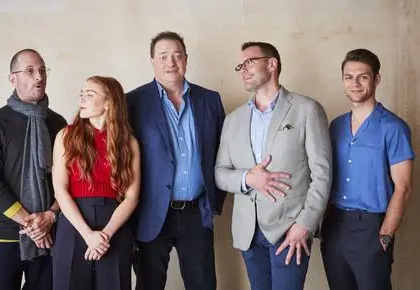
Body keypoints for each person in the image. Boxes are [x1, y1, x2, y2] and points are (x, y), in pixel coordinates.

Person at [214, 41, 332, 290]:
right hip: (248, 232)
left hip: (290, 229)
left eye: (249, 62)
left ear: (272, 64)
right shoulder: (233, 120)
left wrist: (305, 225)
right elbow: (220, 174)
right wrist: (248, 178)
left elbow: (322, 173)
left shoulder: (306, 110)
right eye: (240, 65)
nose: (243, 69)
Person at [126, 31, 226, 290]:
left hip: (196, 212)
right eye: (163, 57)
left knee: (203, 284)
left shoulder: (210, 100)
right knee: (149, 284)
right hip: (151, 213)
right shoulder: (133, 102)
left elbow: (223, 152)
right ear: (152, 61)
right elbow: (122, 158)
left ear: (186, 59)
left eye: (177, 56)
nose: (171, 62)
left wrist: (212, 203)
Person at [321, 48, 415, 290]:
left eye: (362, 76)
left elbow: (403, 188)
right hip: (334, 226)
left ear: (376, 79)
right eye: (349, 77)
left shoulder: (393, 128)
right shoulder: (336, 127)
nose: (355, 83)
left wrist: (385, 235)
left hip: (371, 228)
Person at [0, 49, 67, 290]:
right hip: (5, 234)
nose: (39, 77)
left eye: (42, 70)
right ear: (12, 78)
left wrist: (50, 216)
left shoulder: (59, 124)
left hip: (50, 234)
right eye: (30, 71)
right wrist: (31, 224)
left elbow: (68, 181)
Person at [52, 76, 140, 290]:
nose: (82, 99)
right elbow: (60, 191)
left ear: (109, 103)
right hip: (74, 223)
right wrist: (88, 235)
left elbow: (131, 197)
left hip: (114, 225)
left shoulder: (129, 142)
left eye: (89, 95)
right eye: (81, 94)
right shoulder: (65, 136)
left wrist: (105, 235)